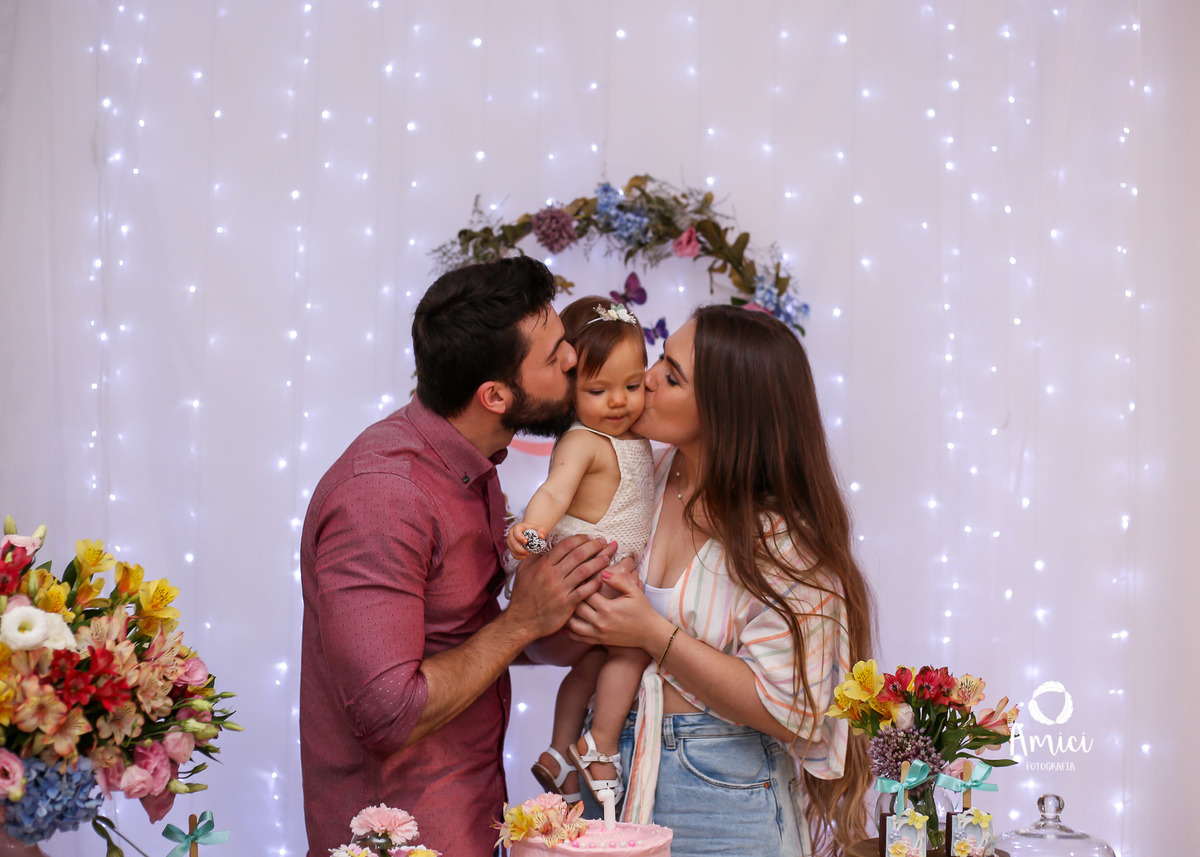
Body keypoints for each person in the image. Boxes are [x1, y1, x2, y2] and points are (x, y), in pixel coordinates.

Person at [299, 257, 628, 857]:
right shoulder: (383, 496)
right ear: (495, 394)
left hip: (474, 814)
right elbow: (385, 712)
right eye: (555, 356)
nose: (574, 361)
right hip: (400, 834)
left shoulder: (474, 467)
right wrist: (524, 619)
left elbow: (458, 635)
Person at [568, 304, 876, 857]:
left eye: (672, 375)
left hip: (720, 786)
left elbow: (794, 712)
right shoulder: (642, 478)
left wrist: (651, 633)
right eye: (660, 360)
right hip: (611, 770)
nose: (647, 381)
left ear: (727, 408)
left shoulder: (783, 538)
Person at [505, 296, 655, 807]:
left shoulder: (636, 434)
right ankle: (600, 743)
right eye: (598, 390)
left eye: (633, 386)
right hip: (593, 568)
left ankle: (557, 754)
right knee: (635, 648)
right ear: (570, 390)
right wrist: (533, 530)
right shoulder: (584, 440)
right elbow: (554, 490)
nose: (619, 402)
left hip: (608, 570)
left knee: (589, 666)